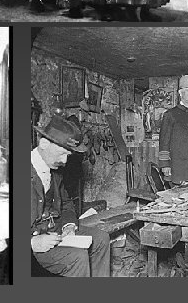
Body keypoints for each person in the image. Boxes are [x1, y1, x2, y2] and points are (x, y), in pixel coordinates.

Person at [31, 114, 111, 277]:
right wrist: (31, 242)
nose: (65, 161)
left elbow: (67, 204)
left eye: (68, 155)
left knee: (101, 238)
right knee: (77, 257)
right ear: (44, 144)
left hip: (56, 231)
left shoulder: (55, 172)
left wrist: (69, 226)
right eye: (62, 154)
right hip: (35, 241)